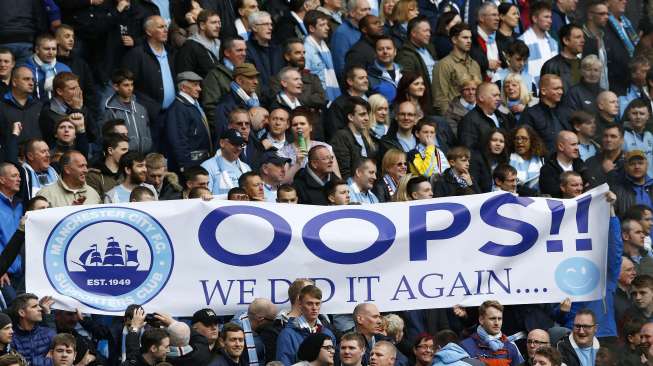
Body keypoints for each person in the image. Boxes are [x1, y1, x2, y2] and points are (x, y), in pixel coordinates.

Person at [121, 15, 176, 148]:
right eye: (160, 27)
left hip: (172, 113)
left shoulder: (171, 51)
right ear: (149, 31)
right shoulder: (137, 54)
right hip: (149, 116)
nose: (165, 30)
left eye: (165, 26)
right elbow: (127, 84)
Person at [276, 285, 336, 365]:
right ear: (300, 304)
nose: (314, 308)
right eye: (310, 304)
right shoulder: (287, 334)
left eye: (317, 304)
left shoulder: (328, 333)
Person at [165, 71, 213, 172]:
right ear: (183, 87)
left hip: (200, 164)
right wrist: (186, 167)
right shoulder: (179, 109)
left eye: (199, 85)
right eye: (195, 85)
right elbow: (179, 141)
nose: (199, 89)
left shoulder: (192, 105)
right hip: (191, 168)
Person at [432, 23, 481, 115]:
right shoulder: (443, 65)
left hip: (476, 116)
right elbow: (440, 100)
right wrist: (451, 120)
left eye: (470, 38)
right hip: (455, 117)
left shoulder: (475, 64)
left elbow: (480, 93)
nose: (469, 41)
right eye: (465, 38)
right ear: (454, 39)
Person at [280, 107, 341, 181]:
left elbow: (337, 177)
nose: (299, 127)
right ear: (291, 129)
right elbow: (283, 183)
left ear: (310, 127)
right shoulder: (283, 152)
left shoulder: (325, 147)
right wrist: (297, 163)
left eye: (302, 124)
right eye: (295, 125)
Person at [39, 72, 96, 148]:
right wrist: (76, 110)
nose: (78, 92)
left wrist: (79, 110)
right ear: (59, 91)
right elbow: (51, 143)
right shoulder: (48, 112)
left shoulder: (81, 107)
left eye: (78, 88)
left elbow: (93, 136)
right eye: (72, 89)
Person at [102, 69, 153, 154]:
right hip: (122, 157)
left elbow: (147, 132)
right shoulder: (110, 110)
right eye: (126, 85)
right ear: (116, 87)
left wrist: (148, 145)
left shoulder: (141, 109)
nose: (130, 88)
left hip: (142, 156)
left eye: (132, 84)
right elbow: (106, 138)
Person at [460, 300, 524, 366]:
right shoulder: (465, 346)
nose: (497, 323)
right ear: (481, 320)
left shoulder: (510, 347)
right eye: (492, 318)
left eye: (499, 319)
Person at [270, 38, 327, 110]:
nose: (302, 56)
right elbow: (280, 101)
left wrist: (292, 96)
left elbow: (322, 99)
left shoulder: (313, 78)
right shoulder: (276, 80)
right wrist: (310, 101)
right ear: (287, 57)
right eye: (298, 53)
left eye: (304, 53)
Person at [202, 37, 248, 124]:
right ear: (227, 52)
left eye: (245, 50)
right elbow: (210, 108)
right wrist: (228, 128)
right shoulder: (214, 75)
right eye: (239, 50)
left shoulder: (249, 71)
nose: (244, 53)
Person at [458, 82, 515, 152]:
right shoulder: (468, 121)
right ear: (481, 98)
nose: (498, 99)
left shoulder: (503, 116)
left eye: (499, 95)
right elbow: (469, 150)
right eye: (494, 95)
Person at [395, 16, 437, 111]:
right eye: (425, 31)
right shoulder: (405, 55)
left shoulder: (430, 48)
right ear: (413, 33)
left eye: (429, 31)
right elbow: (407, 84)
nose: (429, 34)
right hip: (424, 103)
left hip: (436, 98)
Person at [521, 74, 570, 152]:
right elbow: (523, 140)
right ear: (543, 91)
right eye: (556, 88)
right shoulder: (530, 114)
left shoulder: (567, 112)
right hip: (541, 161)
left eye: (561, 88)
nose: (561, 92)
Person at [330, 97, 375, 179]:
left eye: (367, 114)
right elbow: (344, 172)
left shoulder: (363, 137)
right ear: (350, 117)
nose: (367, 118)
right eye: (362, 114)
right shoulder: (341, 137)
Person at [213, 63, 260, 139]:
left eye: (256, 78)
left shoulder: (255, 101)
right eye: (251, 78)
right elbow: (224, 138)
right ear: (239, 80)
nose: (256, 82)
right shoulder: (226, 105)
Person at [0, 66, 43, 146]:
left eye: (33, 80)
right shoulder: (2, 106)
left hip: (36, 156)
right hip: (9, 156)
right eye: (26, 79)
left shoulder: (39, 106)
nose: (31, 83)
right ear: (14, 82)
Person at [201, 129, 252, 195]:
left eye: (241, 145)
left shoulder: (246, 168)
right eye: (235, 144)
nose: (239, 148)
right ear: (222, 143)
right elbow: (204, 195)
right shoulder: (207, 166)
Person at [324, 66, 369, 141]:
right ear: (350, 81)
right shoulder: (338, 105)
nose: (366, 81)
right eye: (361, 78)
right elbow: (336, 134)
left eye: (366, 77)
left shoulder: (369, 101)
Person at [304, 10, 341, 103]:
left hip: (329, 95)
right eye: (322, 25)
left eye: (327, 24)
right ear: (312, 28)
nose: (327, 28)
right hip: (317, 98)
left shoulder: (325, 48)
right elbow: (305, 77)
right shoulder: (306, 49)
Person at [10, 293, 56, 366]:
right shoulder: (11, 339)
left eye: (39, 306)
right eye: (34, 306)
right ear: (22, 312)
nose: (40, 309)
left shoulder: (49, 333)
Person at [518, 1, 558, 84]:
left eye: (550, 17)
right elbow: (518, 71)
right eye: (546, 17)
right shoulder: (522, 41)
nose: (550, 21)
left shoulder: (553, 42)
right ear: (535, 18)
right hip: (531, 92)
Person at [604, 0, 639, 95]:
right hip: (616, 83)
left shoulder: (627, 23)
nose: (624, 1)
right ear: (607, 2)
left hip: (634, 81)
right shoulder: (604, 25)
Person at [539, 131, 587, 198]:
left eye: (577, 144)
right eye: (573, 144)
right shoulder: (547, 170)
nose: (577, 148)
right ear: (561, 146)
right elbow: (550, 195)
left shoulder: (581, 165)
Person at [23, 33, 71, 101]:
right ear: (37, 49)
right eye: (47, 49)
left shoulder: (64, 69)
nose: (51, 52)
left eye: (54, 49)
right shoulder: (25, 70)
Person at [330, 0, 372, 77]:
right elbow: (340, 67)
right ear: (352, 13)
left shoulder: (366, 30)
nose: (368, 13)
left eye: (369, 9)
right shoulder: (342, 33)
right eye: (364, 10)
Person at [175, 10, 221, 78]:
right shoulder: (189, 47)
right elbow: (185, 76)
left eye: (219, 23)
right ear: (202, 25)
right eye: (213, 23)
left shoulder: (221, 44)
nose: (218, 26)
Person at [541, 23, 585, 91]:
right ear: (566, 40)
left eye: (583, 37)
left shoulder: (585, 65)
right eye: (578, 37)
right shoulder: (551, 65)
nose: (583, 40)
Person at [245, 11, 283, 88]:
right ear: (254, 27)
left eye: (271, 24)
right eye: (266, 24)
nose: (270, 28)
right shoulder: (246, 49)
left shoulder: (278, 48)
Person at [86, 133, 129, 199]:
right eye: (123, 149)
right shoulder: (93, 176)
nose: (127, 153)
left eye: (127, 150)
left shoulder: (128, 173)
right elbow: (94, 203)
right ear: (110, 151)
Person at [584, 123, 624, 189]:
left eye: (613, 136)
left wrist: (610, 173)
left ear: (621, 140)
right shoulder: (590, 162)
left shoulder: (629, 163)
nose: (608, 140)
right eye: (605, 136)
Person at [470, 2, 504, 80]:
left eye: (498, 15)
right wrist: (486, 64)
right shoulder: (471, 37)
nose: (498, 18)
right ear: (481, 18)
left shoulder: (499, 38)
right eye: (493, 15)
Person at [510, 126, 547, 194]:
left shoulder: (542, 159)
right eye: (516, 138)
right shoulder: (507, 159)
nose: (519, 141)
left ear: (532, 140)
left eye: (524, 138)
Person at [582, 0, 609, 91]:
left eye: (607, 14)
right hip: (587, 90)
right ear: (590, 15)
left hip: (604, 89)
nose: (606, 17)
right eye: (602, 14)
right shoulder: (581, 37)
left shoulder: (604, 36)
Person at [367, 37, 402, 105]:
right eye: (380, 49)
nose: (385, 51)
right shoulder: (369, 76)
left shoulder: (403, 71)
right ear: (375, 53)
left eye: (388, 48)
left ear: (395, 52)